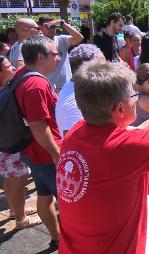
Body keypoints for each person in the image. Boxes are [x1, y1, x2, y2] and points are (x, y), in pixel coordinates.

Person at [56, 59, 149, 253]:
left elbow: (139, 133)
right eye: (134, 95)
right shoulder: (124, 148)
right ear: (120, 109)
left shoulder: (76, 132)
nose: (137, 99)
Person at [14, 35, 61, 249]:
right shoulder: (36, 85)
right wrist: (56, 154)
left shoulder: (21, 75)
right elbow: (37, 125)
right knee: (69, 200)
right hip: (45, 154)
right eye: (55, 54)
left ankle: (57, 238)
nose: (59, 58)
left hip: (32, 151)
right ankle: (73, 240)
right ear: (41, 57)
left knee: (44, 195)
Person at [0, 55, 41, 229]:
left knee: (10, 179)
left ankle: (14, 210)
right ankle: (21, 219)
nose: (13, 68)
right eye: (8, 66)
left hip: (4, 143)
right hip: (11, 142)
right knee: (18, 180)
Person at [56, 44, 105, 136]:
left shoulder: (77, 89)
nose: (108, 70)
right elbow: (73, 142)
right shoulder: (75, 101)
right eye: (103, 66)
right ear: (87, 69)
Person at [38, 16, 84, 93]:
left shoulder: (61, 39)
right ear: (40, 27)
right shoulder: (37, 43)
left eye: (53, 26)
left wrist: (62, 23)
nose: (51, 29)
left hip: (67, 86)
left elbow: (79, 38)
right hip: (49, 87)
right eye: (47, 26)